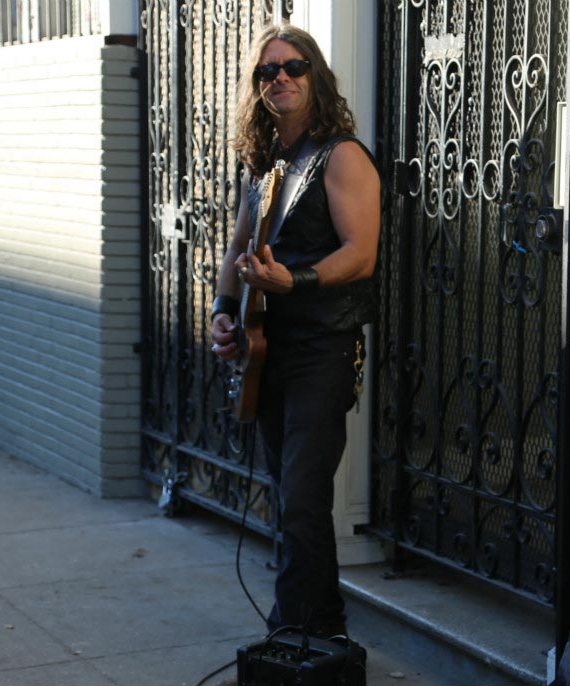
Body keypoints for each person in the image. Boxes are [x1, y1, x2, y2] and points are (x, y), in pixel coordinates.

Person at [209, 23, 380, 639]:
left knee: (304, 498)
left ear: (316, 76)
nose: (279, 77)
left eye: (293, 66)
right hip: (269, 351)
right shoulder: (264, 163)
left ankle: (293, 637)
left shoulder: (342, 155)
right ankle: (321, 631)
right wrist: (223, 311)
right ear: (256, 87)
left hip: (322, 350)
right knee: (291, 502)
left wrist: (295, 281)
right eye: (267, 70)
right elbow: (238, 247)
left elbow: (361, 254)